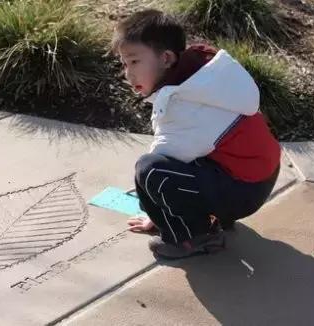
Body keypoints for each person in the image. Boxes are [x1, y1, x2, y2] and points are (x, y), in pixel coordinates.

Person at [111, 9, 281, 259]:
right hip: (255, 177)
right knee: (156, 172)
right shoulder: (201, 79)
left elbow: (164, 159)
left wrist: (156, 215)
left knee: (150, 172)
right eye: (124, 64)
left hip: (244, 189)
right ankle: (209, 216)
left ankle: (194, 237)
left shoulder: (186, 103)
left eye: (135, 62)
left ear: (166, 58)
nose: (128, 73)